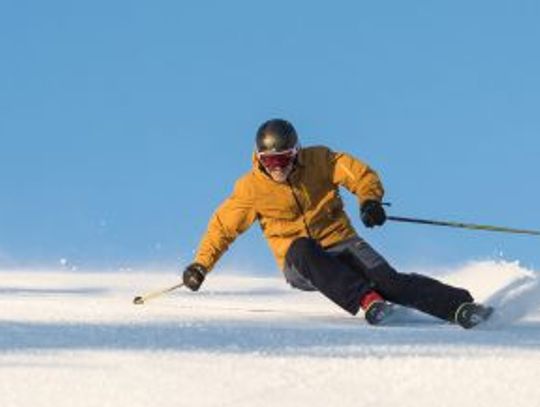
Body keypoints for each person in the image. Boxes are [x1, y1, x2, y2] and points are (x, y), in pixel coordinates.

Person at [182, 118, 493, 329]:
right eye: (269, 161)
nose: (277, 168)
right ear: (259, 158)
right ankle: (366, 300)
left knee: (390, 282)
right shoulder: (250, 188)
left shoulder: (320, 160)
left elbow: (359, 174)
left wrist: (369, 201)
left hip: (341, 240)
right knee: (302, 248)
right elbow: (223, 227)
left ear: (297, 152)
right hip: (301, 263)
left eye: (283, 159)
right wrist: (200, 265)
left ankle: (460, 308)